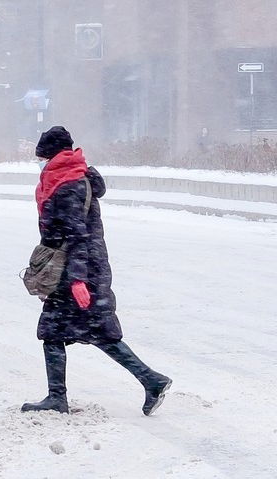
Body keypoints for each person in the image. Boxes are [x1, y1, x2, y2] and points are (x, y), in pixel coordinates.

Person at [21, 126, 173, 416]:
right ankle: (152, 381)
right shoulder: (73, 178)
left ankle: (57, 398)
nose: (39, 163)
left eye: (41, 158)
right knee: (99, 332)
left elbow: (77, 236)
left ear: (51, 155)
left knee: (53, 331)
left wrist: (77, 280)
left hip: (77, 272)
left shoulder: (67, 185)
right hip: (86, 269)